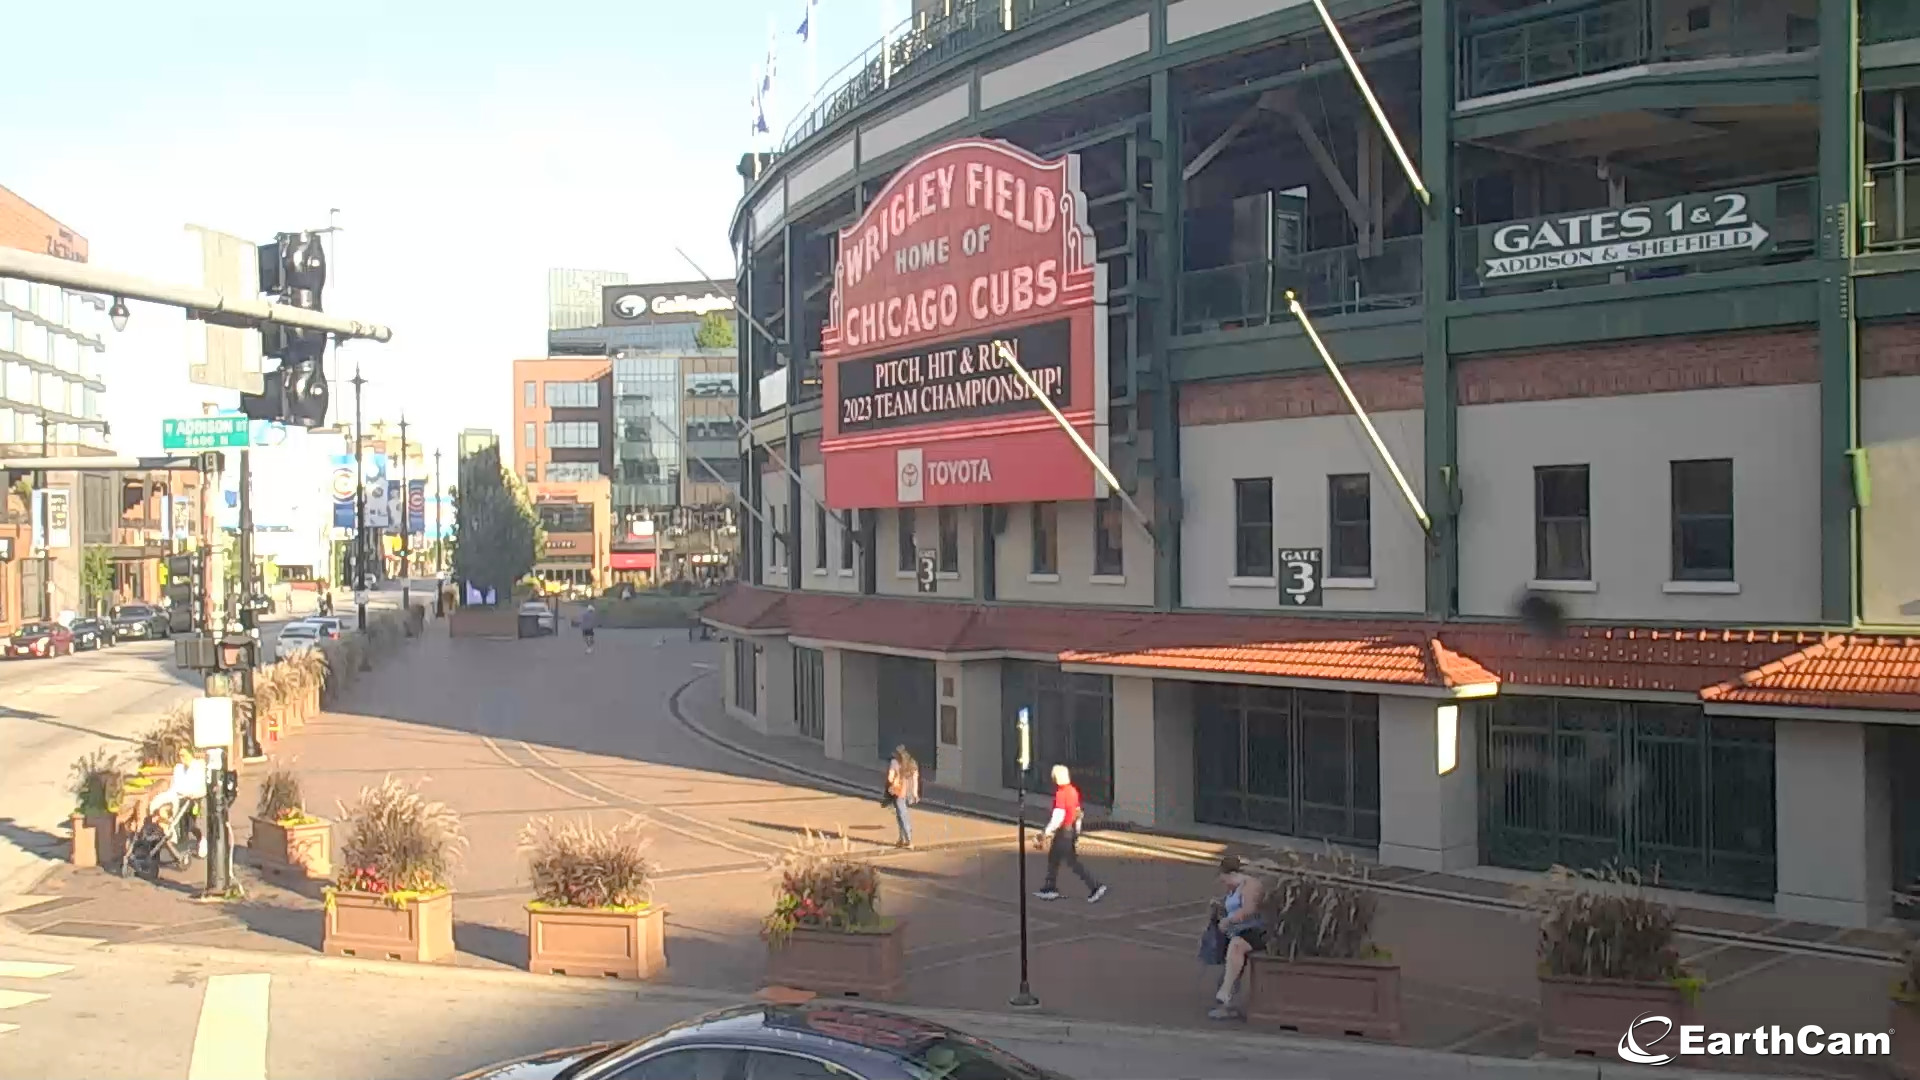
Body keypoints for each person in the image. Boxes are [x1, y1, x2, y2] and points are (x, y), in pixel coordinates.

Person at [1033, 764, 1106, 903]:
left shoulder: (1061, 793)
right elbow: (1078, 813)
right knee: (1053, 858)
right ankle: (1050, 887)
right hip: (1070, 830)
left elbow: (1058, 817)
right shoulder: (1073, 791)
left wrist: (1046, 832)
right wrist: (1077, 831)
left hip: (1063, 831)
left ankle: (1095, 887)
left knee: (1071, 862)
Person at [1208, 855, 1268, 1020]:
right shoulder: (1232, 888)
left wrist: (1229, 920)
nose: (1224, 884)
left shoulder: (1250, 885)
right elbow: (1232, 906)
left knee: (1236, 946)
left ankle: (1225, 995)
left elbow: (1249, 909)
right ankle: (1227, 997)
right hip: (1235, 931)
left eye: (1224, 880)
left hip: (1253, 930)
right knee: (1230, 955)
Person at [885, 746, 920, 848]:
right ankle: (902, 839)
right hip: (909, 791)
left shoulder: (894, 762)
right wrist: (915, 793)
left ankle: (908, 839)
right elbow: (915, 779)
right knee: (903, 814)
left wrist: (894, 781)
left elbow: (890, 778)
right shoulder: (912, 763)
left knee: (901, 815)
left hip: (899, 790)